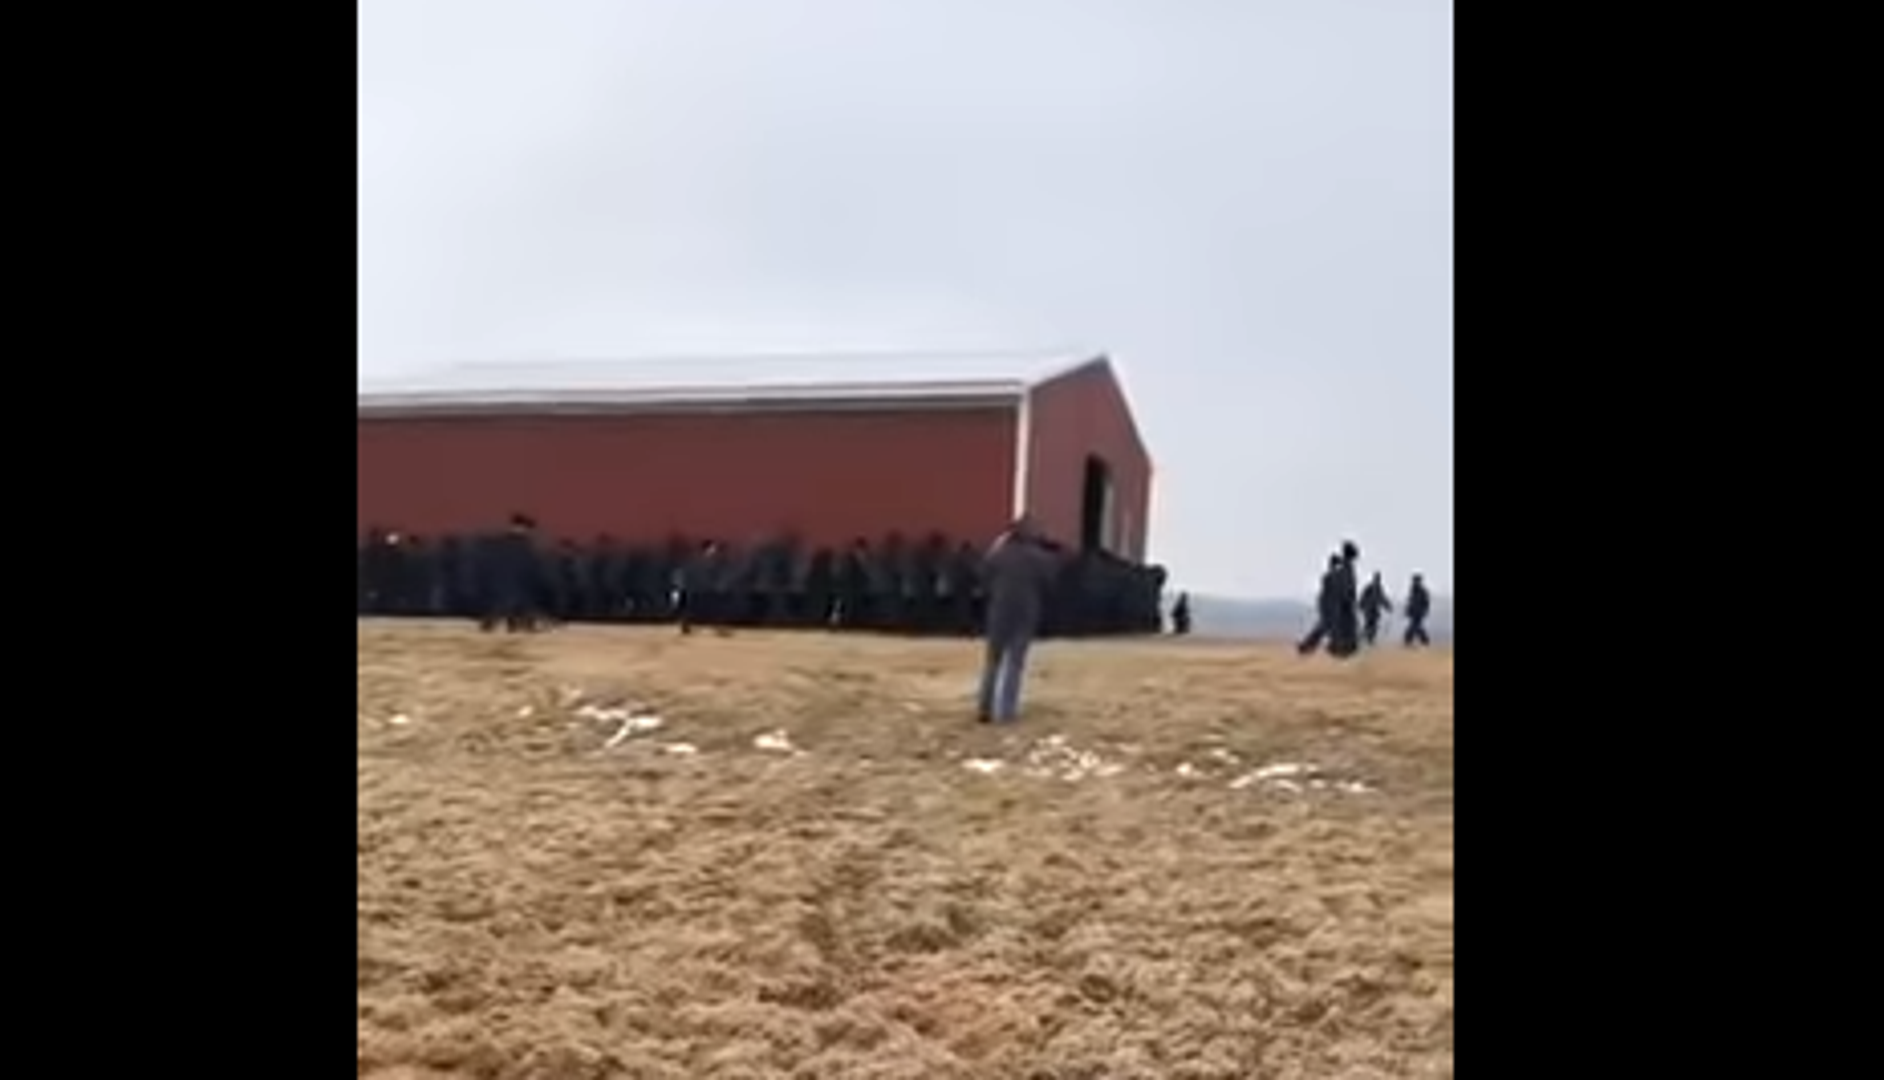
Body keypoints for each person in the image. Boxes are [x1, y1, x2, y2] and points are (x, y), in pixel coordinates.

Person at [975, 517, 1059, 724]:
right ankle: (1006, 711)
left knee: (992, 661)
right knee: (1014, 663)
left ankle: (985, 708)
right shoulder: (1038, 557)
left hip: (999, 611)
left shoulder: (997, 555)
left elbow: (983, 577)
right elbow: (1050, 580)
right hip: (1025, 613)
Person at [1359, 572, 1393, 646]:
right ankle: (1366, 638)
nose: (1377, 580)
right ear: (1374, 578)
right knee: (1369, 625)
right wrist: (1361, 606)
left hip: (1374, 610)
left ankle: (1368, 639)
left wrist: (1388, 606)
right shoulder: (1369, 587)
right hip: (1368, 609)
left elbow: (1382, 598)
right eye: (1377, 578)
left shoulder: (1379, 588)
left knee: (1373, 625)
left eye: (1378, 579)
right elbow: (1363, 597)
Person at [1403, 573, 1432, 647]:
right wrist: (1407, 610)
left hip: (1419, 612)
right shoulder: (1412, 590)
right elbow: (1410, 602)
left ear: (1419, 581)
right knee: (1416, 627)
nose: (1415, 582)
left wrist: (1425, 611)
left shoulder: (1423, 591)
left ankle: (1409, 640)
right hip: (1413, 612)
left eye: (1416, 581)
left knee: (1414, 627)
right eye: (1414, 581)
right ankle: (1423, 641)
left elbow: (1426, 602)